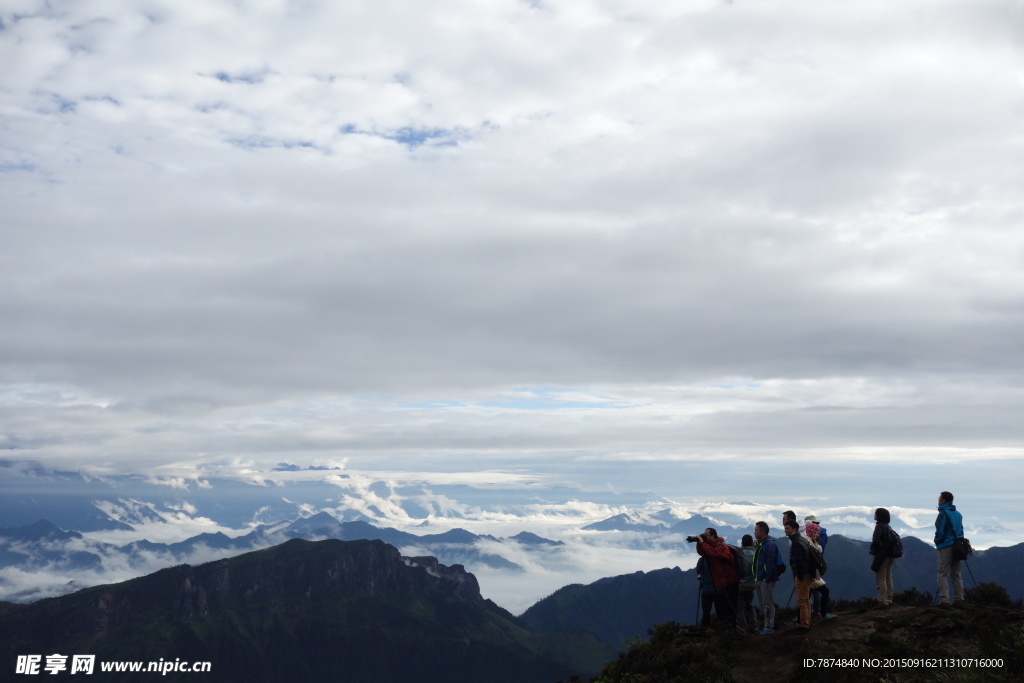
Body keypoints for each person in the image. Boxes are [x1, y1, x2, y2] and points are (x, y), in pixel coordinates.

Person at [695, 528, 739, 629]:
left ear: (713, 536)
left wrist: (702, 542)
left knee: (728, 609)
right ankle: (724, 630)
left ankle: (732, 629)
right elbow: (702, 552)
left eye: (707, 535)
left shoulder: (721, 546)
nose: (705, 537)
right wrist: (699, 542)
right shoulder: (710, 548)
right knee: (721, 609)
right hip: (720, 584)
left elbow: (714, 553)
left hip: (729, 582)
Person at [935, 491, 965, 606]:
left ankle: (944, 600)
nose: (938, 500)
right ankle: (959, 598)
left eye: (939, 498)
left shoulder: (943, 513)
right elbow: (961, 530)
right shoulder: (958, 514)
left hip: (946, 546)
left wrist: (937, 542)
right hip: (958, 546)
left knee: (942, 573)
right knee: (956, 574)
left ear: (944, 500)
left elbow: (940, 530)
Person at [752, 521, 781, 634]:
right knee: (764, 603)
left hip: (765, 580)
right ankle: (766, 625)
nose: (754, 532)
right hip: (759, 579)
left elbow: (770, 564)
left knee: (767, 604)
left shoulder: (769, 545)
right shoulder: (761, 544)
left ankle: (769, 627)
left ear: (763, 531)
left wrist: (766, 579)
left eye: (756, 530)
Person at [784, 519, 812, 634]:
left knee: (801, 600)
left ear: (794, 529)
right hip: (808, 573)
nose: (785, 531)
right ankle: (807, 622)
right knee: (806, 600)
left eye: (788, 528)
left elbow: (799, 561)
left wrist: (799, 575)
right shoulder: (802, 539)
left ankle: (804, 625)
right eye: (785, 528)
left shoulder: (795, 543)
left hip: (802, 574)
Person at [805, 522, 834, 620]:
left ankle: (805, 618)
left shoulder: (809, 542)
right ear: (812, 532)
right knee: (823, 592)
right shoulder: (810, 544)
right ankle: (822, 614)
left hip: (811, 575)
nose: (818, 535)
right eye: (817, 532)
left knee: (806, 597)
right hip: (810, 575)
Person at [870, 508, 895, 608]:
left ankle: (882, 601)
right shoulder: (888, 527)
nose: (874, 515)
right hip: (889, 556)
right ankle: (889, 598)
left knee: (881, 577)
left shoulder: (879, 527)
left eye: (875, 514)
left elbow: (876, 541)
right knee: (888, 577)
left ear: (879, 516)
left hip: (882, 556)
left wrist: (874, 550)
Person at [736, 534, 758, 633]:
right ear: (752, 543)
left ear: (742, 543)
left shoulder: (739, 554)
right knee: (749, 604)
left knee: (740, 608)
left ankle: (743, 627)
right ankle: (754, 624)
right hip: (752, 585)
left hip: (740, 585)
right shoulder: (756, 553)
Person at [695, 556, 718, 628]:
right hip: (718, 589)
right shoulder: (717, 558)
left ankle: (705, 627)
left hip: (706, 589)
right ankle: (721, 627)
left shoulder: (702, 560)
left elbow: (698, 571)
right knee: (720, 610)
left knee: (706, 611)